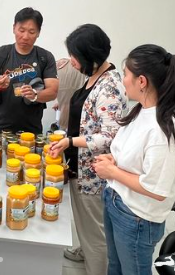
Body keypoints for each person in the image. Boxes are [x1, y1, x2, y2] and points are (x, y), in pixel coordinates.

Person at [94, 45, 175, 275]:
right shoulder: (141, 111)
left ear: (142, 81)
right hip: (117, 201)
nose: (123, 80)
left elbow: (156, 189)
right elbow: (135, 157)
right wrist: (113, 160)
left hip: (136, 218)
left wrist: (112, 172)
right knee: (115, 266)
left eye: (126, 74)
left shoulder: (163, 130)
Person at [49, 24, 127, 275]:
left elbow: (109, 136)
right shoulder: (94, 75)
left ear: (91, 56)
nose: (72, 61)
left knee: (95, 229)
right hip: (80, 165)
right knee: (84, 219)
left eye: (75, 56)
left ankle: (97, 266)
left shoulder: (109, 87)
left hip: (93, 172)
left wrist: (70, 142)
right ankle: (85, 250)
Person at [0, 7, 59, 134]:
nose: (25, 37)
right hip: (0, 130)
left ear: (39, 32)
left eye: (32, 32)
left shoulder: (45, 57)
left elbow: (53, 91)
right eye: (21, 30)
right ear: (14, 28)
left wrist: (35, 95)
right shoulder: (0, 54)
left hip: (31, 132)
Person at [53, 58, 86, 131]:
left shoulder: (85, 66)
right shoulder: (61, 63)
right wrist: (56, 100)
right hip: (65, 102)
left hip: (76, 103)